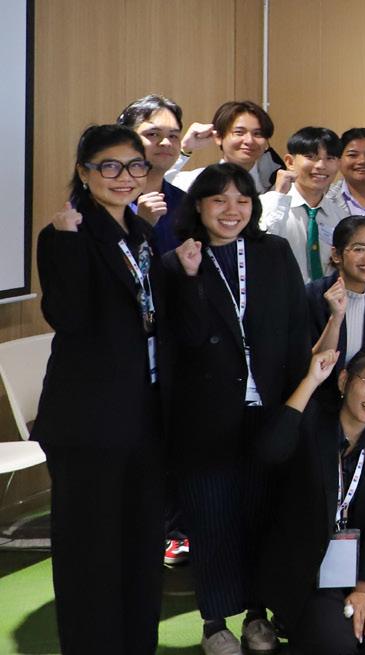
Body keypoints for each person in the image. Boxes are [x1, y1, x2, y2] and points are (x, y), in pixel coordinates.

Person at [157, 162, 313, 654]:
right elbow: (182, 340)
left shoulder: (274, 252)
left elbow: (296, 329)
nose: (232, 210)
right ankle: (213, 622)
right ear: (199, 206)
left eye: (242, 200)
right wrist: (188, 278)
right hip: (204, 418)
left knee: (261, 515)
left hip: (268, 409)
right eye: (219, 200)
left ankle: (257, 615)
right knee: (212, 519)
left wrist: (296, 405)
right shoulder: (177, 261)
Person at [35, 124, 167, 653]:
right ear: (84, 173)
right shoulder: (65, 234)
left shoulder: (140, 232)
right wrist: (67, 244)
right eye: (108, 166)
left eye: (134, 166)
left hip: (144, 415)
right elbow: (68, 317)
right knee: (90, 552)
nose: (124, 176)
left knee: (141, 546)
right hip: (89, 422)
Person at [255, 348, 365, 655]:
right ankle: (297, 621)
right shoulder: (312, 421)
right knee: (335, 643)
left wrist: (364, 587)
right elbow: (270, 451)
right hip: (308, 561)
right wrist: (311, 381)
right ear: (344, 381)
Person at [257, 127, 350, 281]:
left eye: (330, 158)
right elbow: (261, 250)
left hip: (328, 295)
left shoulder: (341, 217)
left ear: (339, 164)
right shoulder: (265, 206)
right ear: (290, 162)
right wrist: (279, 196)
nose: (321, 165)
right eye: (311, 157)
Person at [309, 218, 365, 370]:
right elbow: (309, 364)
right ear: (336, 254)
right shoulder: (312, 296)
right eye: (359, 249)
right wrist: (335, 318)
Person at [118, 94, 196, 253]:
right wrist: (141, 224)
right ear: (126, 140)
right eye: (153, 134)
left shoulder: (186, 204)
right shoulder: (106, 199)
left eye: (173, 136)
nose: (166, 143)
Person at [171, 100, 283, 192]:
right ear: (219, 137)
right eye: (239, 132)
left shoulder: (277, 186)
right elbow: (163, 187)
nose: (249, 140)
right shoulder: (196, 181)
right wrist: (184, 151)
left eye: (257, 134)